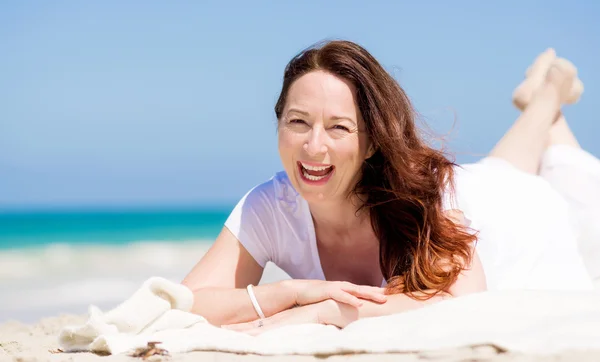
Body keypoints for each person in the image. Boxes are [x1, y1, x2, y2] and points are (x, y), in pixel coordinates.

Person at [182, 42, 599, 334]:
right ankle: (543, 102)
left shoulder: (423, 195)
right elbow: (186, 303)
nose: (313, 146)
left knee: (539, 174)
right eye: (297, 121)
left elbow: (464, 300)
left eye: (338, 127)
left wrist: (330, 311)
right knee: (502, 165)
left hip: (510, 219)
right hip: (485, 182)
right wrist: (290, 293)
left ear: (372, 143)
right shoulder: (269, 206)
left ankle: (549, 95)